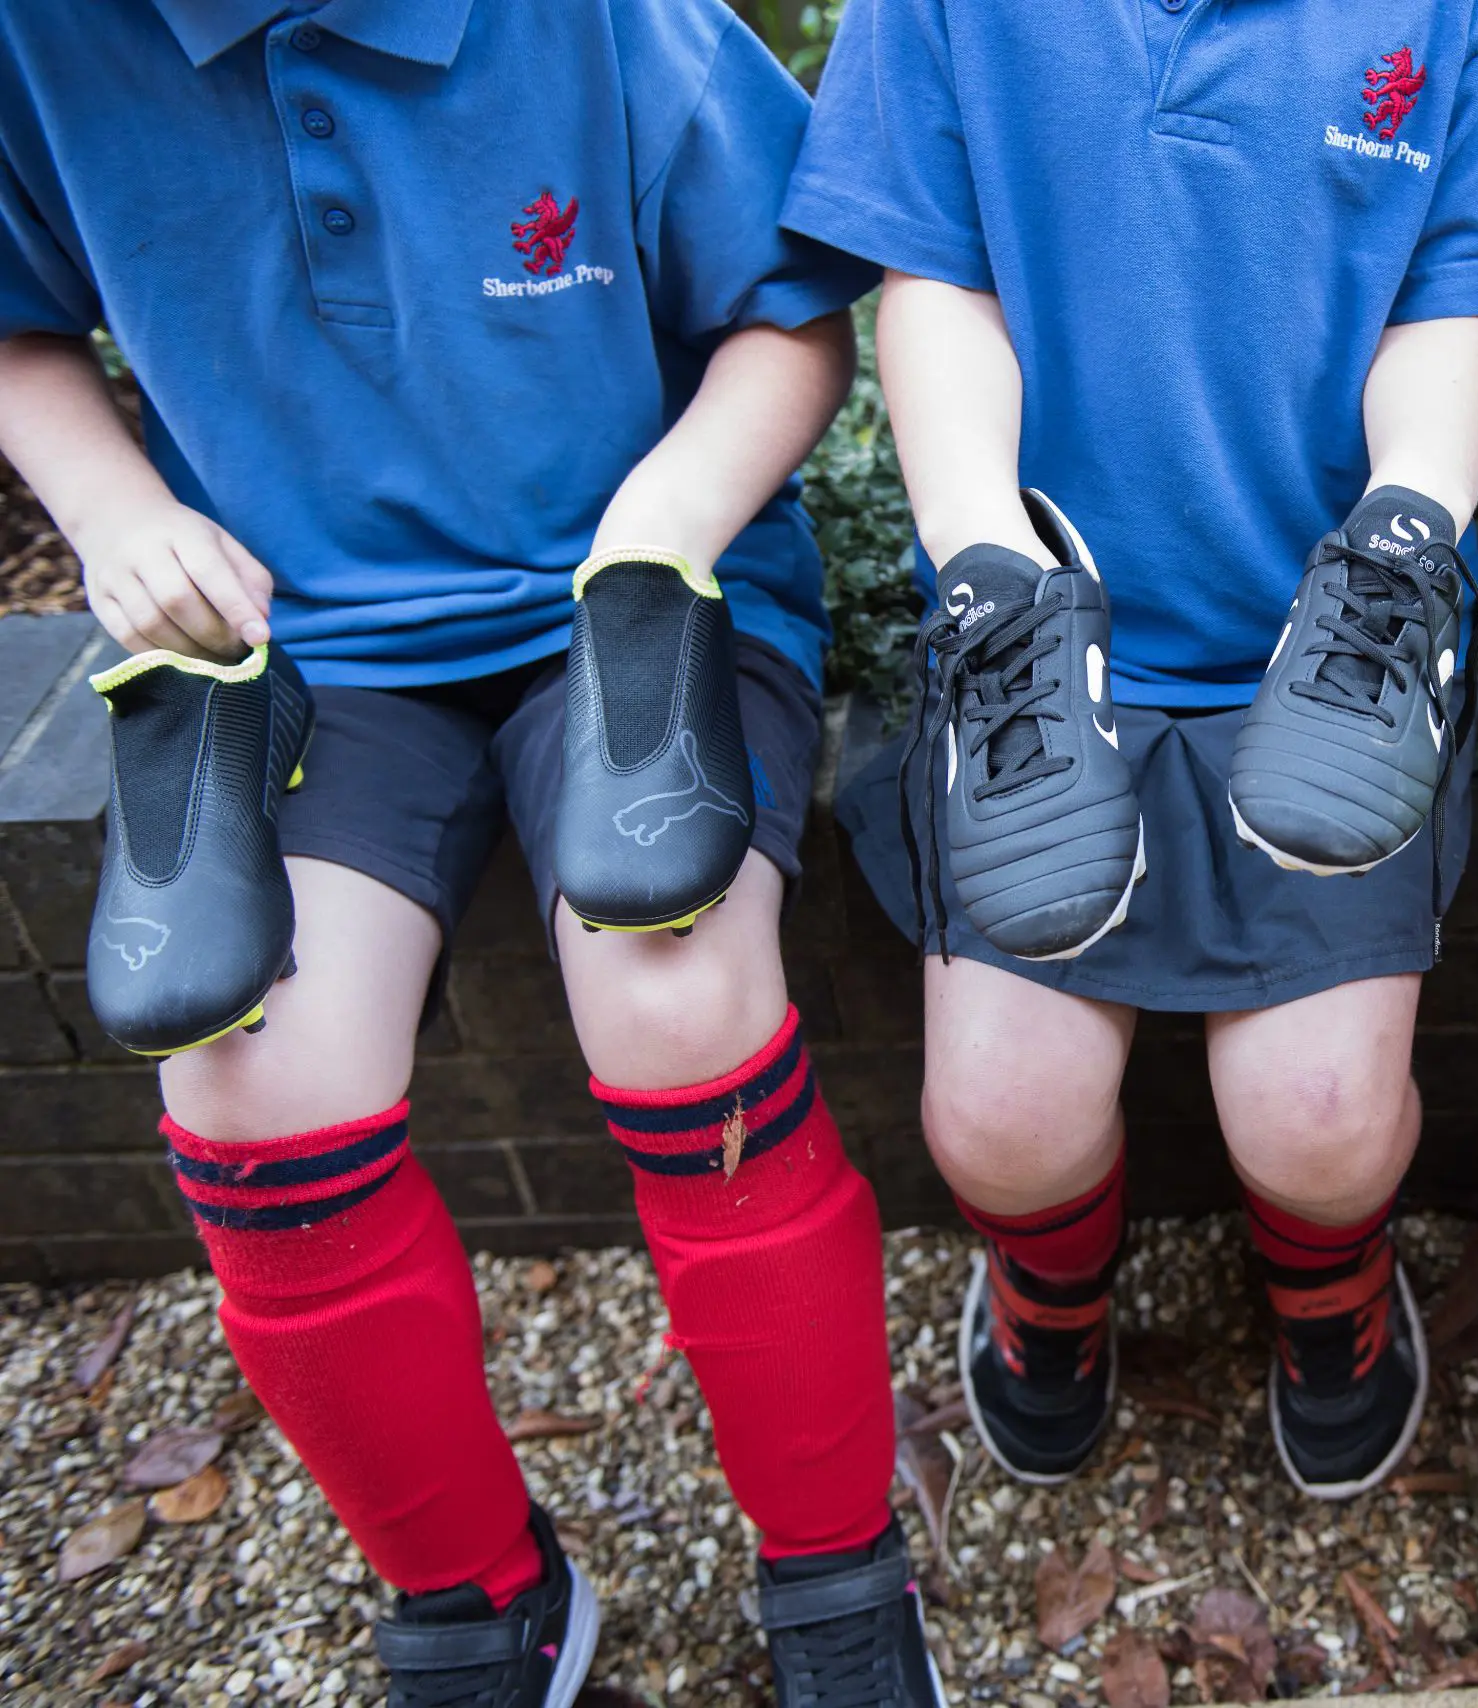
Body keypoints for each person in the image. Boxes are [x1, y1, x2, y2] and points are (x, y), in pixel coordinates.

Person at [0, 4, 940, 1705]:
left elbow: (791, 321)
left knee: (680, 993)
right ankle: (483, 1592)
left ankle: (835, 1568)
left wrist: (661, 525)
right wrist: (118, 513)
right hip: (306, 641)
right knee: (240, 1085)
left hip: (642, 572)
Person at [782, 2, 1478, 1500]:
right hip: (1041, 627)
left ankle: (1330, 1290)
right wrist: (986, 562)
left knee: (1323, 1131)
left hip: (1331, 634)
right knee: (1000, 1126)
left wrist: (1411, 518)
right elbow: (935, 284)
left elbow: (1449, 304)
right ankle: (1050, 1296)